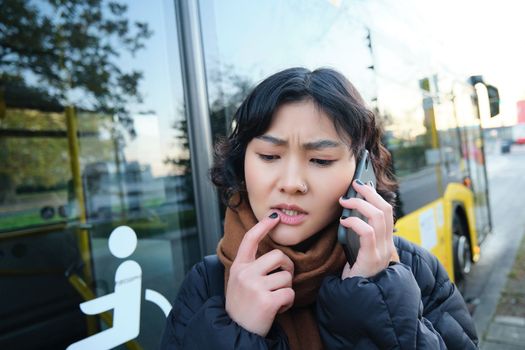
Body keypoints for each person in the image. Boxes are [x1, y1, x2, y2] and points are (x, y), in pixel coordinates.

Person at [160, 67, 478, 349]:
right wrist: (235, 333)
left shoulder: (410, 269)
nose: (292, 183)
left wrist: (377, 296)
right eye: (270, 156)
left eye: (321, 160)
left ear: (361, 170)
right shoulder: (206, 285)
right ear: (241, 163)